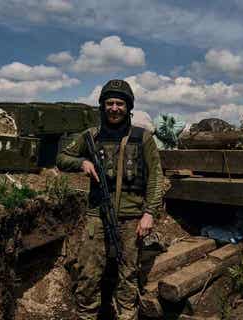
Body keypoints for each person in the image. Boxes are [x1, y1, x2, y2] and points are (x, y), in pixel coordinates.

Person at [56, 79, 164, 319]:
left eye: (120, 104)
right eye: (110, 103)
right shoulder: (90, 136)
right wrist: (81, 162)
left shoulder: (142, 137)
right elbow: (62, 157)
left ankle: (127, 315)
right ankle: (87, 315)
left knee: (128, 274)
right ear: (103, 106)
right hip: (97, 215)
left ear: (128, 107)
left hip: (132, 217)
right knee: (89, 273)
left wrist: (149, 213)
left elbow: (156, 177)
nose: (114, 108)